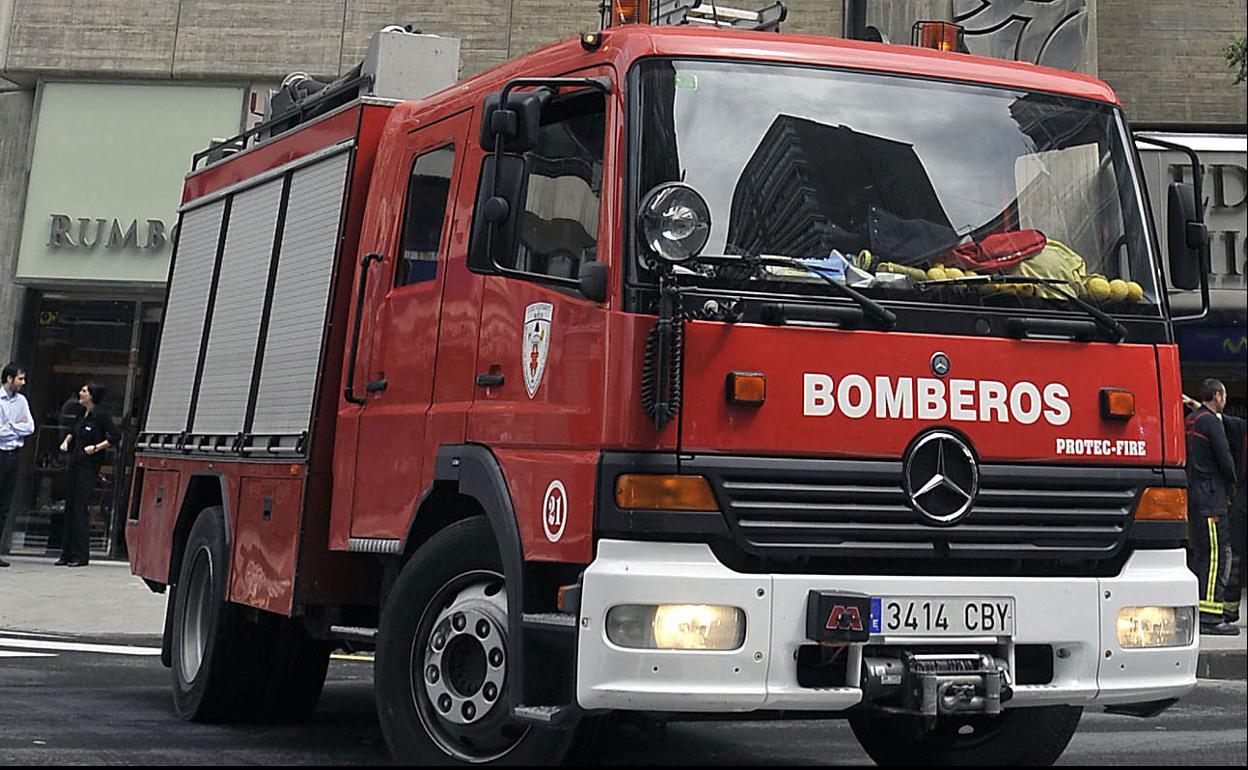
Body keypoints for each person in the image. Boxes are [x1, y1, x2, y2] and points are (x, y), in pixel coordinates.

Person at [1183, 380, 1239, 636]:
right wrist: (1233, 484)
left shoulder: (1192, 420)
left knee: (1202, 555)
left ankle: (1202, 611)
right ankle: (1211, 616)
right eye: (1223, 395)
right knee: (1218, 555)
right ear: (1217, 396)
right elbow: (1225, 458)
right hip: (1212, 499)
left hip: (1195, 496)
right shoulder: (1212, 423)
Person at [56, 381, 120, 567]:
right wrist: (66, 442)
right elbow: (73, 430)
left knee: (80, 508)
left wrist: (96, 447)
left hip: (89, 466)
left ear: (92, 395)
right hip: (75, 462)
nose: (80, 393)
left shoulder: (100, 415)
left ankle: (81, 554)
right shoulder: (81, 413)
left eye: (84, 391)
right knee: (69, 506)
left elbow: (115, 436)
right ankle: (66, 553)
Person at [0, 363, 35, 568]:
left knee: (4, 505)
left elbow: (30, 427)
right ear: (9, 378)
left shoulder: (22, 401)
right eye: (20, 378)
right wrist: (16, 428)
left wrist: (10, 426)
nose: (23, 382)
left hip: (13, 455)